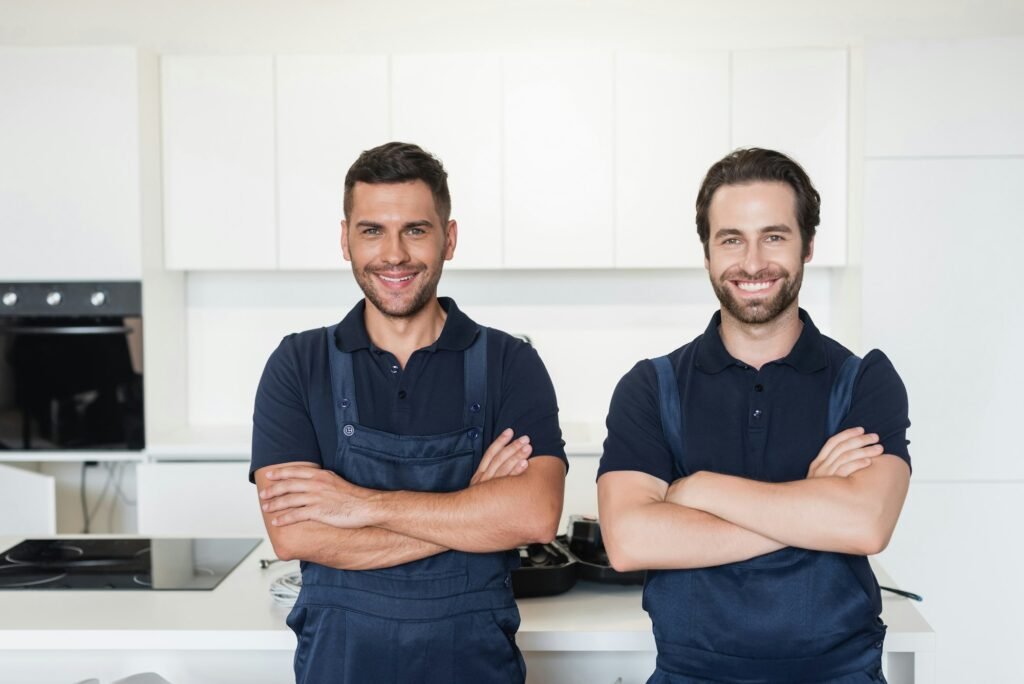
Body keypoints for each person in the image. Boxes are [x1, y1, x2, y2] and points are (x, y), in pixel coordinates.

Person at [250, 142, 567, 683]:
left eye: (415, 230)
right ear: (345, 239)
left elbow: (534, 517)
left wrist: (357, 503)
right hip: (339, 665)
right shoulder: (297, 364)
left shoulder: (510, 362)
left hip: (475, 666)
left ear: (449, 239)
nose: (393, 254)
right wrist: (472, 512)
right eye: (373, 230)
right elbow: (295, 537)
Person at [597, 148, 911, 684]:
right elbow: (630, 542)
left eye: (774, 236)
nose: (752, 262)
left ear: (808, 246)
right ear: (707, 253)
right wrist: (810, 503)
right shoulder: (650, 387)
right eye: (731, 239)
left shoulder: (864, 381)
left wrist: (699, 489)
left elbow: (864, 524)